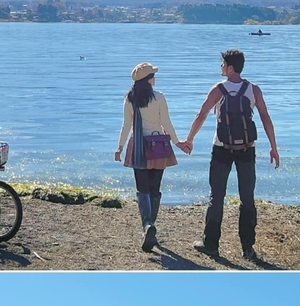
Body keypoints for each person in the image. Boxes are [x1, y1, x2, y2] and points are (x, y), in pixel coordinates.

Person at [185, 49, 279, 261]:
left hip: (221, 149)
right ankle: (247, 248)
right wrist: (274, 147)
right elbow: (265, 118)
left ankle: (210, 245)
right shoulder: (253, 90)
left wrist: (189, 139)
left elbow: (201, 115)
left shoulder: (218, 90)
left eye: (222, 64)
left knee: (216, 196)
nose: (220, 68)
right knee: (247, 199)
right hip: (247, 150)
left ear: (229, 68)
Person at [115, 62, 191, 253]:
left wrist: (120, 147)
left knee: (142, 190)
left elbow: (126, 126)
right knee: (154, 189)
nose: (155, 78)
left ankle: (148, 225)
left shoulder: (130, 99)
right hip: (158, 147)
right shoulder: (159, 97)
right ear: (148, 80)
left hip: (139, 147)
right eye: (153, 75)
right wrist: (177, 142)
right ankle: (151, 228)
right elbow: (166, 123)